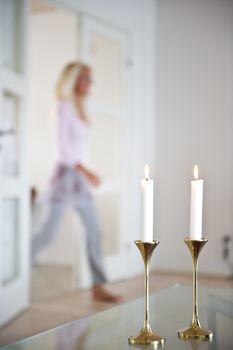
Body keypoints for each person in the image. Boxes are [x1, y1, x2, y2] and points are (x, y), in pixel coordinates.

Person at [31, 62, 121, 302]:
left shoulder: (81, 107)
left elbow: (77, 148)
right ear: (73, 80)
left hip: (78, 178)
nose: (90, 84)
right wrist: (87, 171)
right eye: (85, 78)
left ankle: (98, 286)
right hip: (66, 176)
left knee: (94, 230)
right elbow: (63, 150)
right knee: (49, 235)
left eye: (91, 79)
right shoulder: (63, 107)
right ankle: (14, 271)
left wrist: (85, 172)